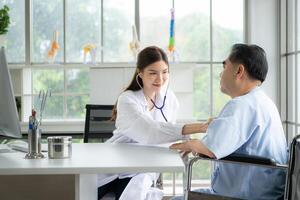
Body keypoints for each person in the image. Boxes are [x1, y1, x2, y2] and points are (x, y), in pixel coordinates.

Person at [171, 44, 288, 200]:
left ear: (239, 71)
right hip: (267, 192)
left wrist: (190, 144)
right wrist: (215, 125)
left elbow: (210, 149)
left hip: (247, 195)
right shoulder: (263, 101)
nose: (221, 74)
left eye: (225, 66)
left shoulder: (241, 105)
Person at [97, 46, 211, 200]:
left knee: (137, 190)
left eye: (164, 72)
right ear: (140, 73)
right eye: (153, 73)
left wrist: (189, 143)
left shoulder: (169, 99)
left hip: (144, 167)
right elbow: (150, 131)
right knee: (86, 192)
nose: (160, 79)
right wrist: (201, 127)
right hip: (116, 164)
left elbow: (168, 131)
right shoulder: (127, 99)